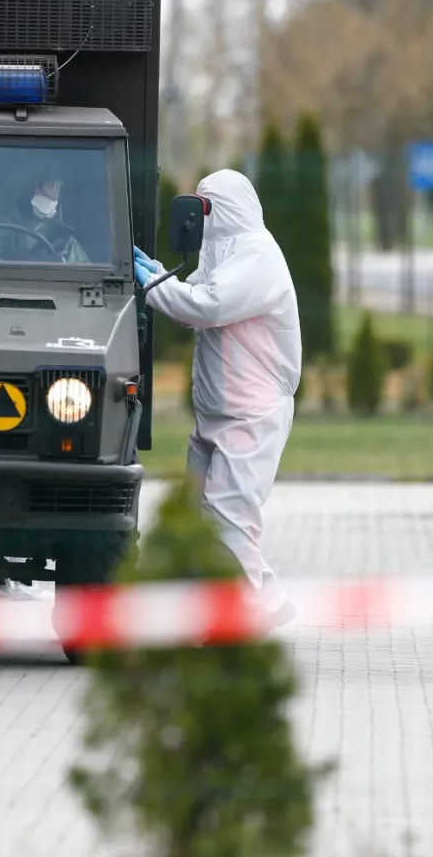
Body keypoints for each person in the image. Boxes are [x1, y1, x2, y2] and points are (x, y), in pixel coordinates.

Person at [133, 169, 300, 631]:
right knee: (205, 516)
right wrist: (156, 273)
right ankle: (265, 599)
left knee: (229, 516)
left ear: (223, 209)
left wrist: (148, 282)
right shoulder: (223, 251)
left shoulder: (257, 256)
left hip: (251, 414)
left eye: (204, 206)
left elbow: (206, 306)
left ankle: (243, 619)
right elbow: (194, 306)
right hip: (218, 414)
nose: (197, 215)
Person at [0, 165, 91, 264]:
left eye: (59, 186)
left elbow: (86, 278)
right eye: (51, 184)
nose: (55, 193)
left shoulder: (61, 239)